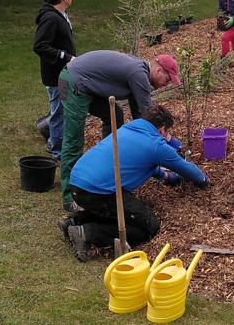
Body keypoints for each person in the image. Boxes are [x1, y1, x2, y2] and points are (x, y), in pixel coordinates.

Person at [60, 105, 209, 261]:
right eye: (167, 132)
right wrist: (203, 180)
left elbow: (136, 162)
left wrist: (165, 176)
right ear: (162, 129)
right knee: (148, 227)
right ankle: (87, 233)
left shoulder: (128, 129)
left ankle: (74, 221)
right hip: (97, 192)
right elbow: (187, 169)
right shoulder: (155, 145)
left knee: (117, 211)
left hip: (78, 182)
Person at [58, 50, 181, 213]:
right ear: (159, 70)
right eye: (168, 79)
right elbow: (151, 121)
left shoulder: (139, 72)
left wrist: (166, 142)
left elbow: (141, 117)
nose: (167, 84)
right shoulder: (139, 76)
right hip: (74, 82)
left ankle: (109, 161)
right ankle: (69, 197)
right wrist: (167, 143)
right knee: (74, 140)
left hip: (87, 84)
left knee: (115, 114)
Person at [32, 0, 79, 163]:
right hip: (55, 75)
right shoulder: (50, 18)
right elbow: (40, 46)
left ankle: (55, 142)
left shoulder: (60, 14)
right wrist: (65, 57)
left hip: (63, 73)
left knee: (60, 111)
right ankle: (58, 152)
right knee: (58, 113)